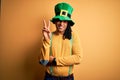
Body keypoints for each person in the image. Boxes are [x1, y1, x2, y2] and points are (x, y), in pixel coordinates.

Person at [39, 2, 82, 80]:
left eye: (65, 21)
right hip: (50, 77)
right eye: (59, 20)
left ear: (68, 23)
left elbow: (78, 58)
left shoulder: (74, 36)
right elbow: (43, 61)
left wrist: (55, 60)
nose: (61, 24)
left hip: (68, 78)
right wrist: (46, 40)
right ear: (55, 21)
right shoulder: (49, 36)